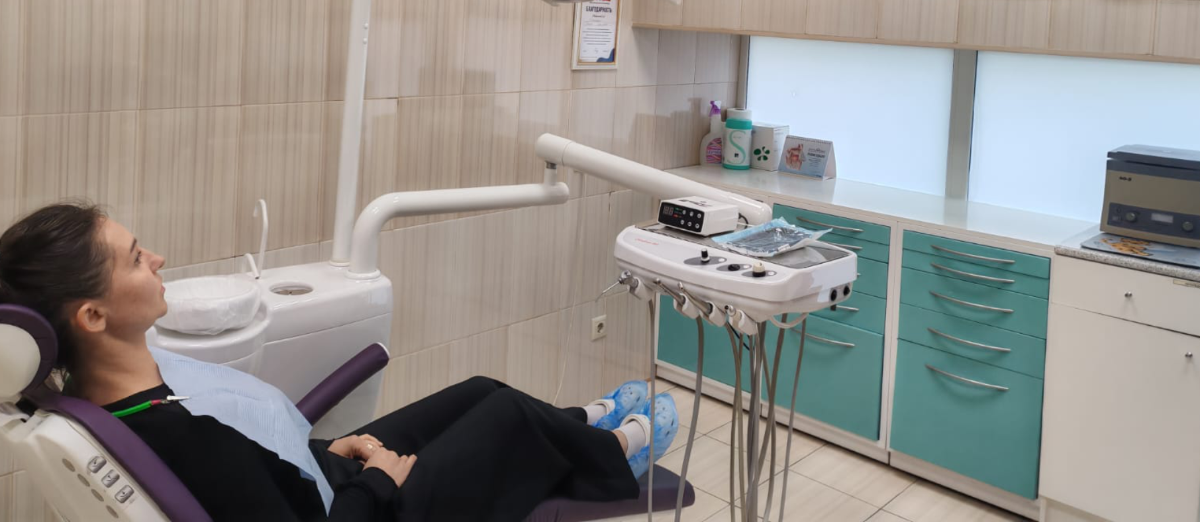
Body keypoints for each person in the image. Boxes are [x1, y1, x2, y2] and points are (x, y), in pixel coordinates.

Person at [0, 202, 679, 522]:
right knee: (504, 417)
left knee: (477, 390)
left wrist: (328, 450)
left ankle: (576, 423)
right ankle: (616, 453)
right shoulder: (177, 436)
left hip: (325, 482)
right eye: (134, 258)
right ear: (93, 317)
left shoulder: (112, 401)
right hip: (365, 513)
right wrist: (377, 483)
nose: (157, 259)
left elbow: (253, 482)